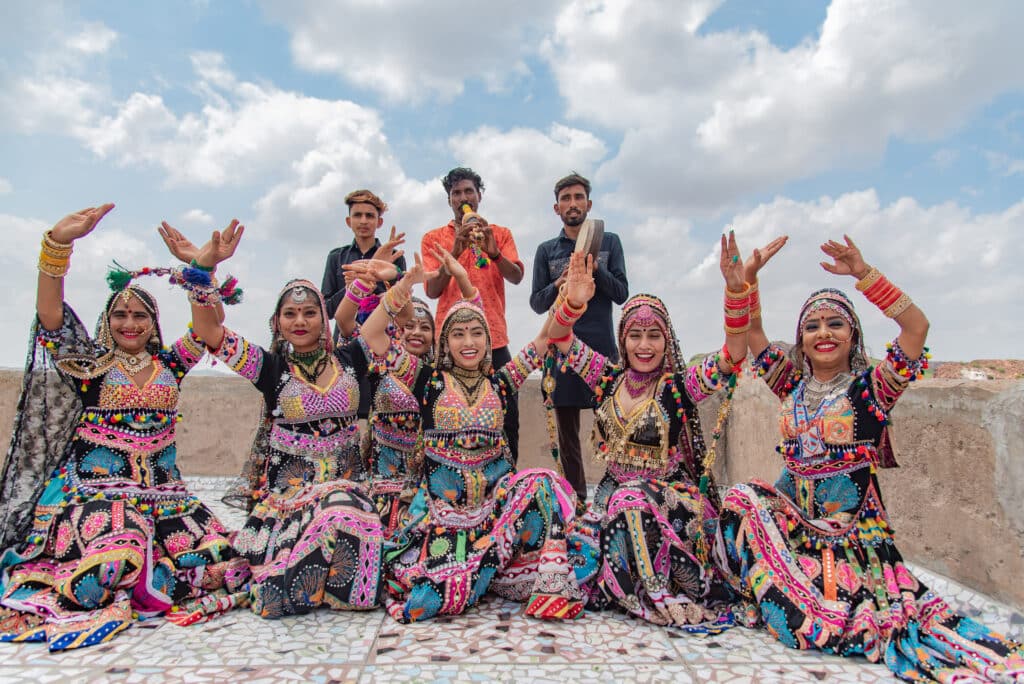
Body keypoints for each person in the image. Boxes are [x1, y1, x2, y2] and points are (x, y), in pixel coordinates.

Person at [720, 235, 1024, 681]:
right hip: (794, 519)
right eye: (812, 326)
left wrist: (865, 275)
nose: (823, 333)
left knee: (841, 601)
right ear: (801, 342)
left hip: (848, 534)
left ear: (853, 335)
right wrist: (746, 281)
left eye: (835, 324)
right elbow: (755, 334)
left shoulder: (872, 391)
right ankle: (792, 587)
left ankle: (805, 600)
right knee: (738, 500)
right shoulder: (791, 386)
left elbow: (916, 329)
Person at [0, 206, 243, 651]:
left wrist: (201, 270)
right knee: (114, 559)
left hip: (168, 503)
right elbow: (51, 315)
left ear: (153, 323)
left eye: (140, 316)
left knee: (222, 565)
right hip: (100, 498)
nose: (129, 324)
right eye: (120, 316)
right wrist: (57, 244)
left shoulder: (169, 364)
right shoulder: (89, 367)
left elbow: (209, 328)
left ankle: (144, 579)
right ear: (107, 322)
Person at [172, 221, 385, 619]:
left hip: (350, 488)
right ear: (277, 322)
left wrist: (382, 282)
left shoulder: (353, 358)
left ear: (323, 319)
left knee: (347, 515)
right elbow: (209, 331)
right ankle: (288, 581)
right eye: (290, 313)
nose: (299, 320)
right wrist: (202, 271)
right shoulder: (269, 367)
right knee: (333, 521)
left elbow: (383, 319)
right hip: (289, 501)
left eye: (308, 312)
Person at [358, 251, 586, 624]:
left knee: (542, 482)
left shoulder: (501, 381)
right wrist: (404, 285)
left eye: (477, 333)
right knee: (431, 594)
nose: (469, 341)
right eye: (459, 334)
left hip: (495, 507)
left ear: (487, 340)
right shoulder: (427, 383)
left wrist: (569, 299)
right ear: (445, 342)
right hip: (445, 512)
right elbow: (370, 334)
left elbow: (547, 338)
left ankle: (515, 571)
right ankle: (488, 568)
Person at [547, 232, 749, 631]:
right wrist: (572, 302)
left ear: (665, 339)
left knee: (630, 506)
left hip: (669, 498)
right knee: (570, 544)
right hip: (610, 493)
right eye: (635, 335)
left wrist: (736, 292)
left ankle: (655, 589)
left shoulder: (678, 387)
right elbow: (559, 336)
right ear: (622, 339)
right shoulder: (606, 378)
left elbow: (732, 356)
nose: (644, 345)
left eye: (653, 335)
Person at [336, 246, 478, 538]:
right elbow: (345, 323)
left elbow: (474, 323)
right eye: (409, 327)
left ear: (436, 337)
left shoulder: (444, 376)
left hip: (431, 482)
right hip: (383, 481)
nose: (416, 332)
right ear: (397, 332)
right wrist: (392, 281)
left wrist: (462, 278)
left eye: (425, 328)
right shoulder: (385, 361)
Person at [530, 172, 628, 509]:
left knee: (614, 429)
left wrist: (593, 266)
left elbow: (622, 294)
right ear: (557, 208)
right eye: (566, 199)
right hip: (560, 352)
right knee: (568, 435)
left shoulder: (610, 242)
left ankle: (615, 497)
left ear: (589, 203)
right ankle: (576, 502)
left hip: (602, 350)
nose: (573, 204)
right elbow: (537, 303)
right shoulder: (546, 250)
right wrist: (561, 281)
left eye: (578, 197)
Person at [421, 167, 525, 463]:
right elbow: (431, 290)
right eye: (456, 193)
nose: (463, 198)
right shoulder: (434, 239)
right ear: (449, 200)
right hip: (450, 343)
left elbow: (516, 276)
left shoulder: (500, 234)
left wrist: (494, 253)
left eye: (469, 192)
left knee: (508, 415)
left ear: (479, 196)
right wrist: (455, 249)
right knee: (440, 413)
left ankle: (508, 478)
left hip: (493, 338)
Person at [321, 189, 407, 418]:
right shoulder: (336, 258)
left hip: (384, 343)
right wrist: (351, 288)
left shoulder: (394, 255)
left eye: (369, 216)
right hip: (348, 345)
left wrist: (384, 272)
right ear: (348, 221)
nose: (363, 221)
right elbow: (326, 309)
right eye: (357, 215)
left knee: (386, 410)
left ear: (379, 222)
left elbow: (403, 302)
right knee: (348, 411)